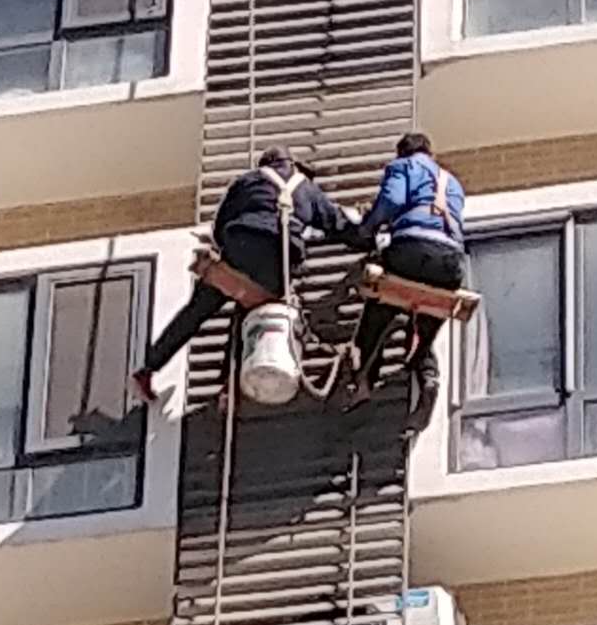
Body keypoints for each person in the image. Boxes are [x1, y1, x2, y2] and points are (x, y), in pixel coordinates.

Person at [129, 148, 358, 404]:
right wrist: (369, 240)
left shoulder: (247, 180)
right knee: (251, 312)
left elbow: (220, 224)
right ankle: (229, 387)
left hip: (238, 249)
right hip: (274, 262)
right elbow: (337, 224)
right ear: (292, 165)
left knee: (196, 312)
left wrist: (230, 251)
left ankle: (148, 369)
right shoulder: (306, 188)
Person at [347, 132, 466, 429]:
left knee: (377, 310)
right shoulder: (452, 182)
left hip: (412, 251)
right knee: (423, 330)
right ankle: (427, 380)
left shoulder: (404, 166)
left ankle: (364, 382)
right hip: (449, 263)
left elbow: (392, 199)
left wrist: (367, 227)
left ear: (402, 152)